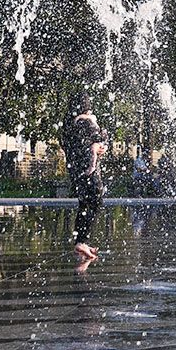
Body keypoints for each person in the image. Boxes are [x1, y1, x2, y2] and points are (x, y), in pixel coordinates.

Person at [63, 93, 108, 260]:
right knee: (96, 201)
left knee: (84, 204)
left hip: (78, 171)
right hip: (89, 171)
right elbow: (98, 139)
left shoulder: (72, 123)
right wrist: (97, 147)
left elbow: (86, 144)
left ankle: (81, 241)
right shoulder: (85, 121)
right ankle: (81, 241)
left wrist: (98, 147)